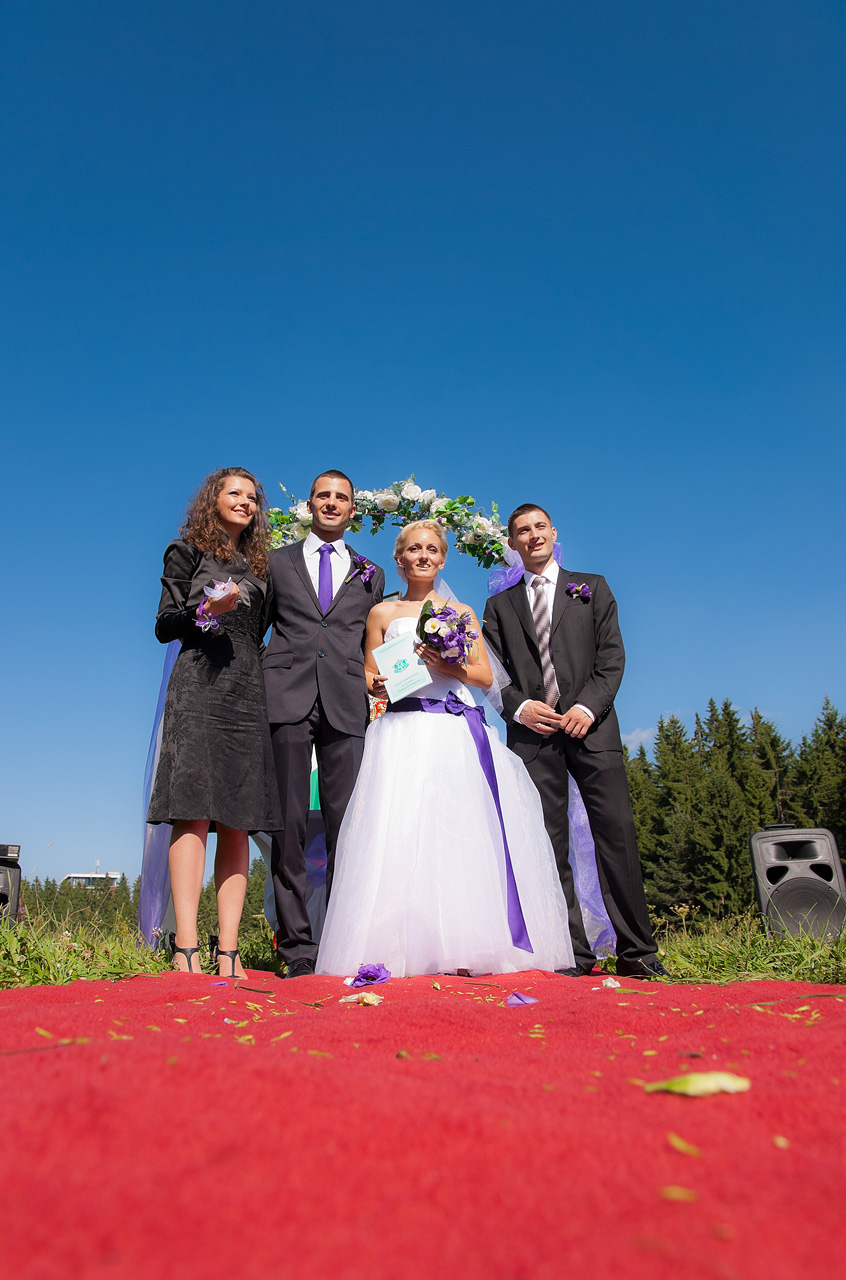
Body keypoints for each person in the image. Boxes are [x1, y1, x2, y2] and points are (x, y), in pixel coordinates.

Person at [316, 520, 575, 978]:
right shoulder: (381, 613)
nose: (423, 556)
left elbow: (484, 676)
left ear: (442, 559)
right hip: (399, 729)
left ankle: (463, 943)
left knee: (456, 831)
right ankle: (397, 946)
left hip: (450, 728)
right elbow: (369, 672)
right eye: (414, 549)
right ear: (399, 559)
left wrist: (445, 664)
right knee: (398, 831)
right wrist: (375, 683)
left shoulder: (461, 612)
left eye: (432, 550)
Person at [482, 504, 667, 980]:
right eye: (523, 531)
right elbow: (491, 673)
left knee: (616, 835)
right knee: (548, 844)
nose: (533, 535)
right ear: (512, 543)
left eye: (540, 527)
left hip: (593, 730)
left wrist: (587, 707)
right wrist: (519, 707)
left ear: (553, 532)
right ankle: (572, 954)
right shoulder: (499, 607)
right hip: (534, 738)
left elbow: (612, 657)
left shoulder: (593, 587)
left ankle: (638, 952)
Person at [147, 468, 282, 977]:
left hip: (247, 690)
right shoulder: (185, 551)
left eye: (252, 497)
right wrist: (206, 609)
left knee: (237, 819)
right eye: (235, 493)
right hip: (199, 685)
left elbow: (265, 631)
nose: (245, 502)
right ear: (213, 499)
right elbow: (165, 625)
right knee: (193, 812)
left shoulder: (263, 566)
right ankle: (185, 946)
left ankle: (228, 950)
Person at [263, 470, 385, 978]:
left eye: (341, 498)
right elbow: (257, 627)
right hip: (285, 696)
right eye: (324, 496)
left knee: (348, 828)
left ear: (353, 509)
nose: (332, 503)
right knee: (288, 826)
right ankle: (296, 946)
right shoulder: (275, 562)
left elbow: (373, 642)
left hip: (347, 701)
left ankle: (340, 941)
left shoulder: (372, 573)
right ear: (309, 505)